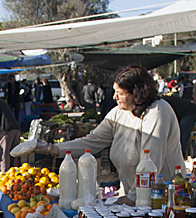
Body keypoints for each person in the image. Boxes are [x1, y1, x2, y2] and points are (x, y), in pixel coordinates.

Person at [37, 65, 183, 204]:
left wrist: (132, 198)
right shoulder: (119, 113)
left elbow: (150, 163)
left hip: (162, 199)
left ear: (136, 94)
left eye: (120, 93)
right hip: (133, 197)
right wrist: (53, 149)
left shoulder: (157, 113)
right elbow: (92, 141)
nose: (114, 97)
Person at [163, 88, 196, 160]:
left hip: (189, 112)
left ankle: (181, 157)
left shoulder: (162, 104)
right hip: (184, 113)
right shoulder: (163, 101)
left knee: (182, 136)